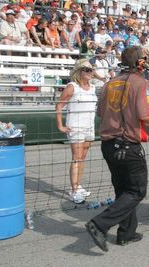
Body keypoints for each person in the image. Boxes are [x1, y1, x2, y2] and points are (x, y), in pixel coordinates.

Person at [85, 46, 149, 252]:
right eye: (146, 59)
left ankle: (126, 233)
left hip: (108, 145)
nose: (148, 61)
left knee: (123, 190)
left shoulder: (109, 83)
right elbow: (145, 116)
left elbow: (101, 112)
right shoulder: (141, 83)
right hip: (127, 145)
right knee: (136, 191)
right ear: (140, 63)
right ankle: (99, 224)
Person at [55, 59, 97, 204]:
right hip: (76, 127)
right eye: (86, 69)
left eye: (91, 70)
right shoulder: (72, 87)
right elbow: (59, 105)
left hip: (89, 126)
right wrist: (60, 125)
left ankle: (78, 186)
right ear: (79, 72)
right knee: (77, 158)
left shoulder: (92, 88)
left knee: (82, 158)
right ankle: (74, 190)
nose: (90, 72)